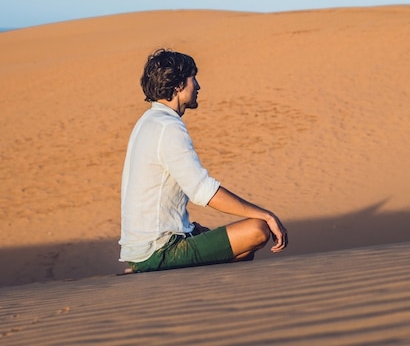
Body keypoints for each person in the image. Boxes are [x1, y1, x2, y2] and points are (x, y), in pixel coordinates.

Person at [119, 48, 288, 273]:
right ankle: (156, 271)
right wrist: (264, 214)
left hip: (146, 247)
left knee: (237, 247)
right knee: (258, 229)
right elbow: (202, 191)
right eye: (193, 78)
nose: (198, 85)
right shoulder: (168, 127)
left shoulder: (150, 121)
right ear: (178, 85)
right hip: (159, 249)